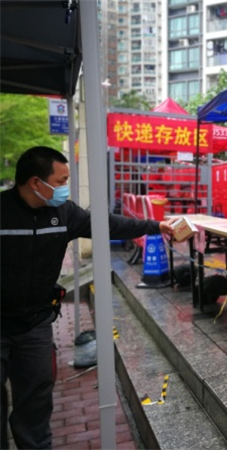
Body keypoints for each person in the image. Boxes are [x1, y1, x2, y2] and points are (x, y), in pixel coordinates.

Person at [0, 146, 177, 449]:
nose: (65, 187)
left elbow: (108, 224)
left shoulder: (64, 213)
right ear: (35, 182)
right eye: (61, 181)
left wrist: (155, 226)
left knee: (36, 399)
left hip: (35, 324)